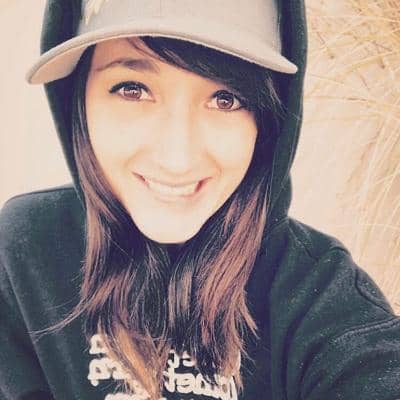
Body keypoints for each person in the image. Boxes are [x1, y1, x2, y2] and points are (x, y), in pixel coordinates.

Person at [0, 0, 399, 399]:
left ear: (268, 122)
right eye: (133, 90)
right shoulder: (25, 255)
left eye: (226, 98)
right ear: (77, 99)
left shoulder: (322, 297)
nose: (177, 159)